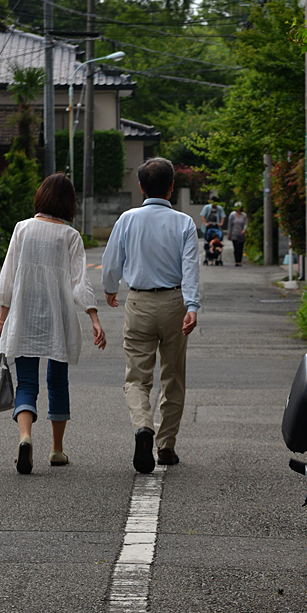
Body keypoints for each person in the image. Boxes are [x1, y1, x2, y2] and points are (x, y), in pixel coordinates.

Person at [0, 172, 106, 475]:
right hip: (58, 320)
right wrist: (94, 317)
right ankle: (57, 450)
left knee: (27, 383)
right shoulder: (70, 236)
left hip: (24, 315)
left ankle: (25, 438)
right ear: (70, 203)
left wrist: (2, 319)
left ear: (42, 196)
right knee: (58, 383)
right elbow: (79, 283)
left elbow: (8, 277)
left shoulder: (23, 229)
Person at [102, 157, 200, 473]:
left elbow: (111, 261)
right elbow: (190, 268)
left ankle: (144, 426)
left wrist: (110, 288)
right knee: (173, 377)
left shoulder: (127, 219)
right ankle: (166, 446)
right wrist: (192, 306)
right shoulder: (184, 223)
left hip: (139, 302)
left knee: (136, 377)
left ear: (141, 187)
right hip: (174, 303)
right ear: (172, 187)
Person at [227, 201, 248, 267]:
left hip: (241, 233)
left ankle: (239, 261)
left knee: (241, 247)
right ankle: (236, 261)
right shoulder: (232, 215)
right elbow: (230, 224)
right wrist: (229, 233)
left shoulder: (244, 215)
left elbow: (245, 223)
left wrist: (244, 229)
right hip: (234, 233)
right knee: (236, 247)